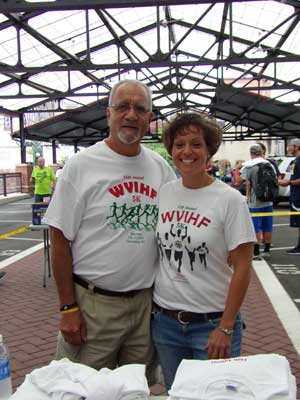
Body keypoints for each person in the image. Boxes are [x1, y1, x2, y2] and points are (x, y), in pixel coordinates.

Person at [43, 79, 176, 383]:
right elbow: (59, 239)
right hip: (93, 306)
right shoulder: (81, 165)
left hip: (145, 305)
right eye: (123, 106)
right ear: (109, 114)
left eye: (140, 109)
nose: (131, 114)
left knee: (136, 388)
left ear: (149, 118)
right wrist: (67, 308)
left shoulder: (160, 168)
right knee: (81, 387)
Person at [151, 112, 256, 390]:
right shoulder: (164, 194)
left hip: (212, 323)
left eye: (196, 144)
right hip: (166, 323)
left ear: (209, 150)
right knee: (178, 393)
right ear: (171, 149)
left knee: (216, 394)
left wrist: (225, 326)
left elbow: (244, 266)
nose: (187, 151)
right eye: (179, 144)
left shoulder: (229, 200)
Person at [241, 144, 275, 260]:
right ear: (261, 152)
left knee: (256, 227)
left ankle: (256, 253)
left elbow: (243, 181)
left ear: (251, 153)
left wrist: (247, 196)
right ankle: (267, 250)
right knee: (268, 226)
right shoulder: (269, 164)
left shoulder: (249, 166)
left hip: (255, 202)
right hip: (269, 200)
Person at [279, 138, 300, 254]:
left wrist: (288, 182)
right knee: (298, 222)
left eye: (290, 146)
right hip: (295, 194)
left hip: (298, 196)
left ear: (296, 146)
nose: (288, 148)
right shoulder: (294, 161)